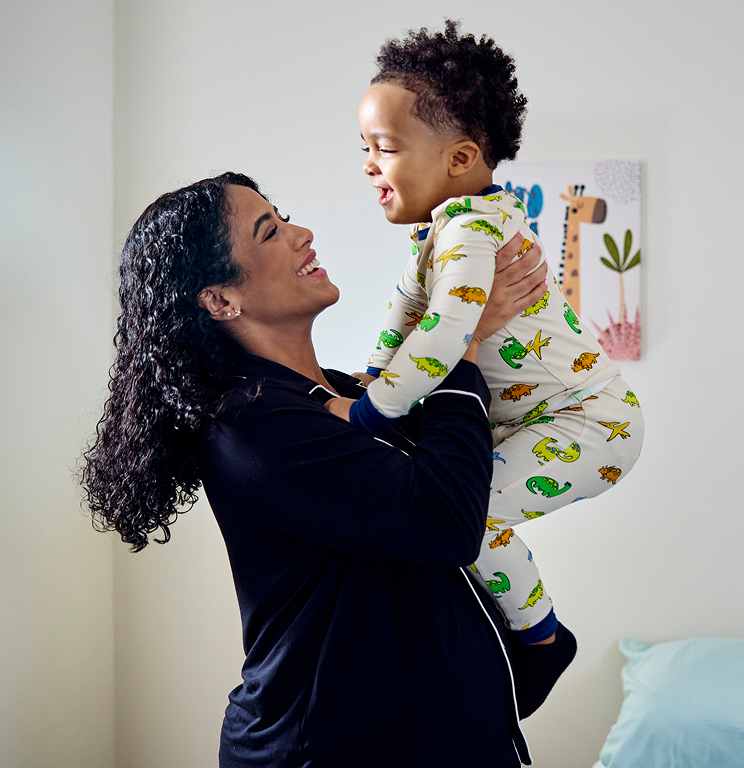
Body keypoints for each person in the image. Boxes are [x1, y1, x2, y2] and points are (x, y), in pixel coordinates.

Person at [81, 171, 564, 767]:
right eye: (270, 232)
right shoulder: (253, 425)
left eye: (284, 217)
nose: (302, 234)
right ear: (220, 299)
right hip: (328, 748)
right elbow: (446, 522)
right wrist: (458, 344)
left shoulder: (340, 396)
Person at [329, 21, 645, 646]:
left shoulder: (471, 230)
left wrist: (371, 412)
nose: (368, 165)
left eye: (384, 147)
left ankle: (539, 636)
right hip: (536, 419)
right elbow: (405, 311)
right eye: (363, 147)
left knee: (464, 516)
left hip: (583, 419)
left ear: (461, 158)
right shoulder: (449, 229)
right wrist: (373, 372)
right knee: (451, 507)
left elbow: (445, 332)